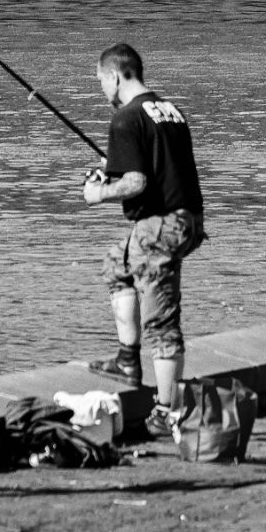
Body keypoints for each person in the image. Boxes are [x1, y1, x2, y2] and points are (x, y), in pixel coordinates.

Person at [80, 42, 206, 438]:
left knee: (163, 321)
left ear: (115, 76)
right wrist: (109, 168)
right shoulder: (169, 111)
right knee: (116, 265)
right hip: (187, 219)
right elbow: (158, 163)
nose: (101, 89)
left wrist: (98, 193)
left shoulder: (125, 118)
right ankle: (127, 361)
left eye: (101, 80)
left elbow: (136, 181)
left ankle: (166, 411)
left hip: (160, 227)